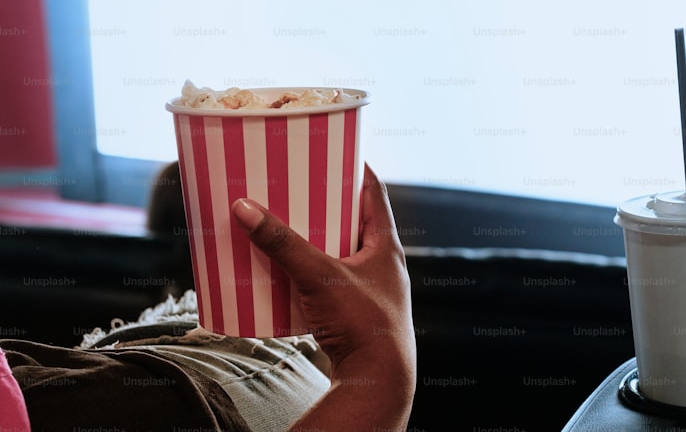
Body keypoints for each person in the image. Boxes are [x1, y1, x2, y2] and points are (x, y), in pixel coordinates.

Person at [0, 165, 417, 432]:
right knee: (241, 326)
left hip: (113, 373)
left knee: (196, 312)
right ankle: (203, 292)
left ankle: (195, 286)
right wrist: (380, 367)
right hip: (188, 382)